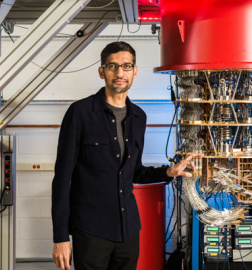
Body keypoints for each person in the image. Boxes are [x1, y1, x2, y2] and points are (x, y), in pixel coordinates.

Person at [52, 41, 203, 270]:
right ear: (102, 71)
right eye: (112, 66)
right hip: (91, 231)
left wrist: (169, 171)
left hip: (128, 230)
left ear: (134, 71)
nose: (120, 73)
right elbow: (62, 180)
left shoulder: (138, 117)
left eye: (126, 66)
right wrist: (60, 237)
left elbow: (134, 172)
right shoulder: (80, 113)